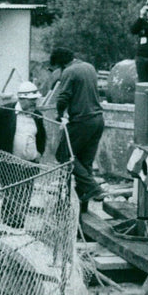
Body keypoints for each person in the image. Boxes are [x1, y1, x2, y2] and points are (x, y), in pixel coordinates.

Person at [0, 81, 46, 228]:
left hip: (30, 164)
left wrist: (39, 152)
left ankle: (19, 225)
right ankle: (8, 225)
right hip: (9, 164)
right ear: (22, 99)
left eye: (35, 100)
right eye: (32, 101)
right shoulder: (4, 112)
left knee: (25, 195)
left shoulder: (37, 115)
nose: (35, 103)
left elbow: (42, 136)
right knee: (12, 195)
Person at [51, 47, 105, 205]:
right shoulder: (89, 67)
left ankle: (93, 188)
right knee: (85, 161)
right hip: (98, 120)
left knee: (63, 155)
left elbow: (63, 97)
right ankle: (83, 201)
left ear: (60, 63)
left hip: (82, 120)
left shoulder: (69, 71)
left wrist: (60, 114)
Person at [130, 0, 148, 83]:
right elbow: (133, 30)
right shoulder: (143, 21)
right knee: (143, 83)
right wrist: (141, 16)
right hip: (141, 56)